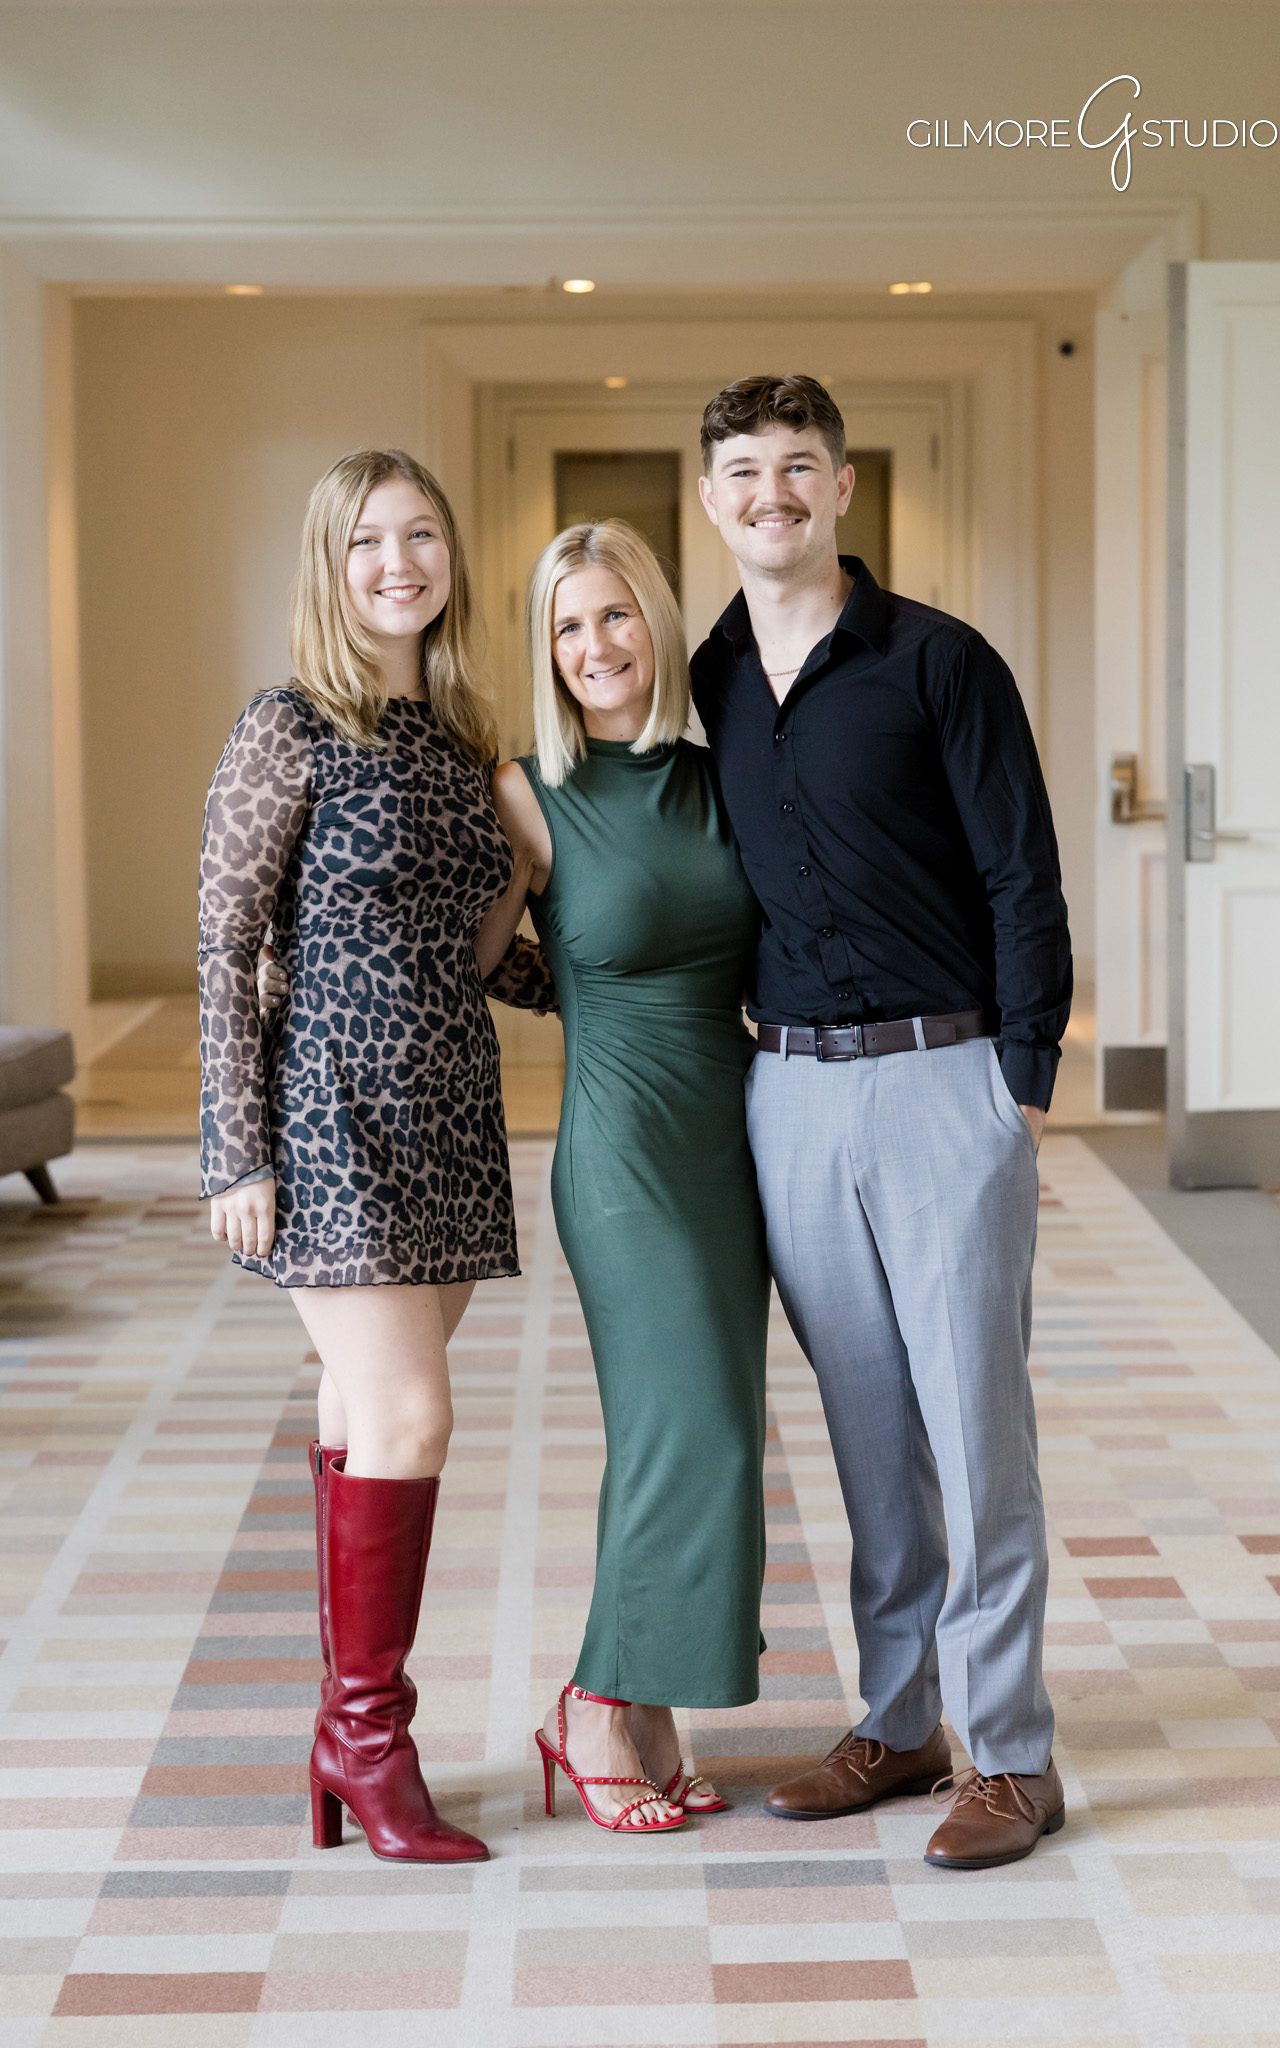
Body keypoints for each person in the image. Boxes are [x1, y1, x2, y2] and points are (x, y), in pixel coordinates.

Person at [691, 375, 1072, 1870]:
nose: (769, 491)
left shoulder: (937, 661)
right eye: (741, 469)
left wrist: (1013, 1085)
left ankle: (1014, 1753)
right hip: (783, 1088)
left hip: (940, 1079)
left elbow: (1019, 876)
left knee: (975, 1431)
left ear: (842, 487)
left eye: (797, 465)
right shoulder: (706, 675)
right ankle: (901, 1717)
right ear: (710, 495)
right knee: (863, 1435)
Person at [198, 448, 548, 1866]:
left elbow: (472, 955)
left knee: (364, 1414)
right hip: (328, 1114)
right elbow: (223, 946)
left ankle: (346, 1740)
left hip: (452, 1113)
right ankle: (366, 1738)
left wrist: (557, 904)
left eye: (420, 536)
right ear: (327, 568)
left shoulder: (464, 741)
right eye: (366, 543)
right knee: (411, 1420)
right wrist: (235, 1151)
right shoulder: (286, 727)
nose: (398, 562)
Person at [484, 519, 770, 1833]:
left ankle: (649, 1704)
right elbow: (477, 957)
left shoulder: (726, 778)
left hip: (733, 1139)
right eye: (565, 624)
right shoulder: (527, 792)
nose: (593, 645)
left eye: (613, 616)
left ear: (654, 622)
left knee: (709, 1431)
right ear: (545, 649)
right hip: (624, 1151)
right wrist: (592, 997)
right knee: (687, 1426)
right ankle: (597, 1703)